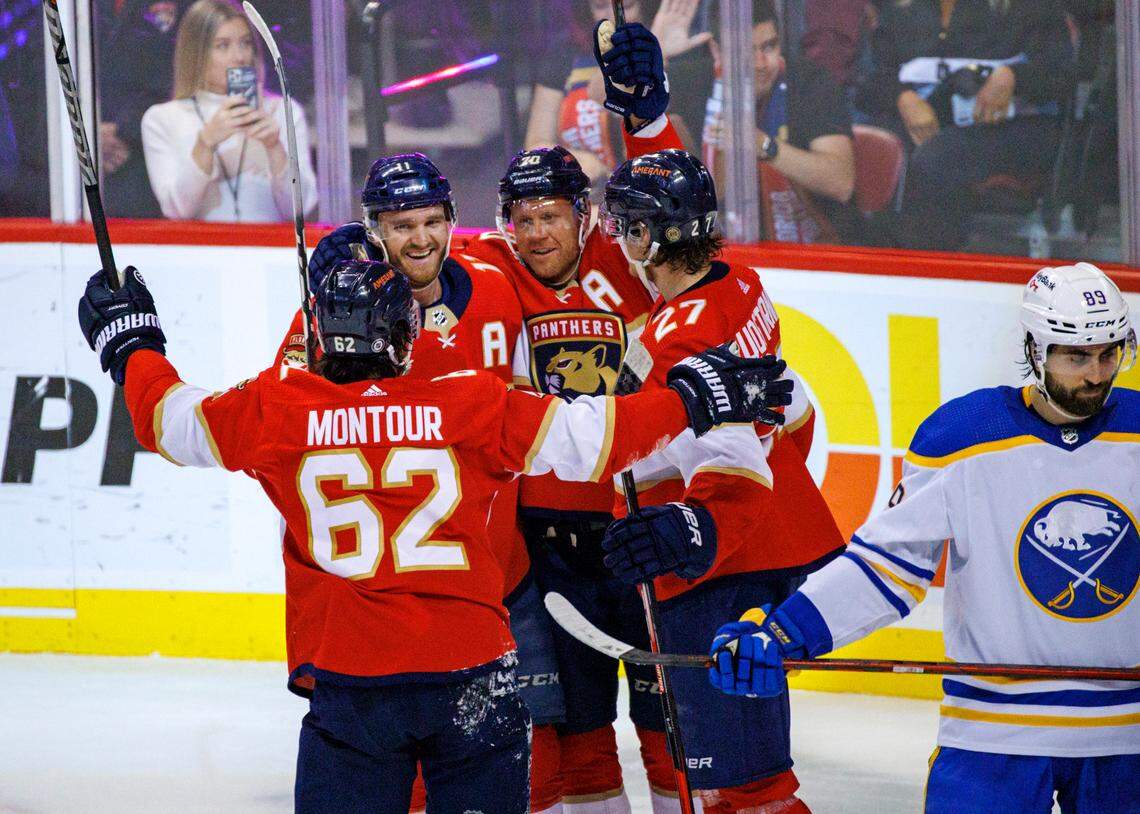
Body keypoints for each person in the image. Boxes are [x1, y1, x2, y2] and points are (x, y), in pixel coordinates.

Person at [76, 257, 790, 813]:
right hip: (473, 676)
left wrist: (131, 344)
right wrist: (693, 398)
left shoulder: (276, 409)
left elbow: (167, 420)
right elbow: (598, 439)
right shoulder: (468, 402)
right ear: (404, 336)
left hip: (354, 683)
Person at [708, 262, 1140, 813]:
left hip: (1127, 736)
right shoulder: (963, 437)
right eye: (1076, 356)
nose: (1097, 374)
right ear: (1035, 349)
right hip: (993, 732)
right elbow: (885, 567)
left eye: (1108, 353)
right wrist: (784, 633)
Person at [461, 20, 713, 812]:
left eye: (550, 215)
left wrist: (644, 116)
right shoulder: (492, 271)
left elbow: (668, 183)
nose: (536, 233)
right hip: (548, 546)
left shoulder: (630, 259)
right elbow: (416, 254)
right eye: (521, 218)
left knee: (666, 718)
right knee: (574, 728)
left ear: (587, 216)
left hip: (638, 526)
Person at [281, 153, 565, 813]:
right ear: (371, 228)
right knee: (404, 779)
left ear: (453, 221)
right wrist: (325, 316)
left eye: (432, 221)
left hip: (502, 578)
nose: (419, 238)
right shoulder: (334, 321)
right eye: (400, 224)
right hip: (397, 601)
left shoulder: (494, 283)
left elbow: (565, 258)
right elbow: (286, 412)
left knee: (535, 764)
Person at [597, 147, 846, 813]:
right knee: (748, 772)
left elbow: (728, 450)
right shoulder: (742, 282)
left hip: (712, 564)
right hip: (775, 542)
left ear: (653, 236)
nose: (619, 241)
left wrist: (693, 523)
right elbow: (793, 411)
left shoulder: (683, 338)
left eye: (627, 227)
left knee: (735, 785)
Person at [863, 0, 1073, 250]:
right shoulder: (905, 10)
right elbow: (870, 82)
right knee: (875, 151)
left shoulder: (1029, 8)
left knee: (936, 158)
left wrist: (1014, 76)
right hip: (930, 123)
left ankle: (933, 270)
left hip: (1013, 127)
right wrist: (902, 97)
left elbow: (1062, 80)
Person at [140, 0, 317, 222]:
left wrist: (275, 149)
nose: (239, 57)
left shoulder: (284, 112)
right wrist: (205, 144)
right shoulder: (163, 119)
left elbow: (302, 210)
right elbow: (177, 210)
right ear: (196, 53)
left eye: (245, 43)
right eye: (223, 45)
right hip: (199, 253)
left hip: (272, 252)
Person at [702, 0, 860, 244]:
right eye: (744, 51)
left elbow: (841, 183)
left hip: (819, 249)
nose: (760, 64)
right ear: (716, 50)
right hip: (723, 250)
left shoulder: (811, 81)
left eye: (769, 46)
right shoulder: (693, 84)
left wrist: (765, 146)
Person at [523, 0, 710, 184]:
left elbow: (690, 165)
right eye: (600, 6)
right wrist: (571, 163)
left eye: (627, 6)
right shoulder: (564, 55)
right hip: (581, 194)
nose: (613, 17)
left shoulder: (671, 61)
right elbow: (536, 144)